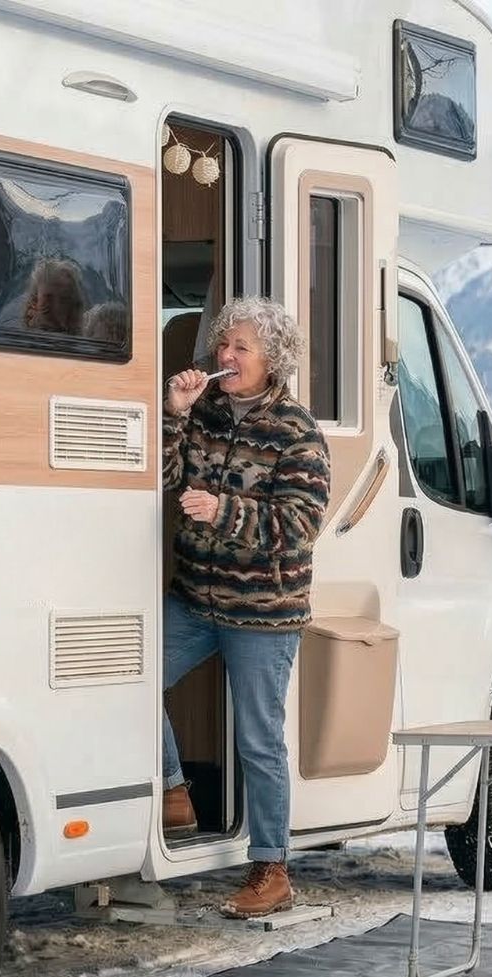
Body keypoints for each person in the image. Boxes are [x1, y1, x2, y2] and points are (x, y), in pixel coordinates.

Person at [159, 296, 330, 918]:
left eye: (240, 348)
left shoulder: (296, 431)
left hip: (264, 611)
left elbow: (301, 523)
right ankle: (175, 792)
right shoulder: (203, 409)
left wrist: (223, 510)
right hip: (196, 599)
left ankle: (271, 868)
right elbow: (164, 473)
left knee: (259, 741)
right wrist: (174, 414)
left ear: (272, 360)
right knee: (134, 677)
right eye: (222, 345)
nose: (225, 357)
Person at [22, 257, 85, 336]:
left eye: (64, 299)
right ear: (34, 301)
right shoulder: (15, 336)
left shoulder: (84, 341)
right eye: (48, 298)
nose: (56, 306)